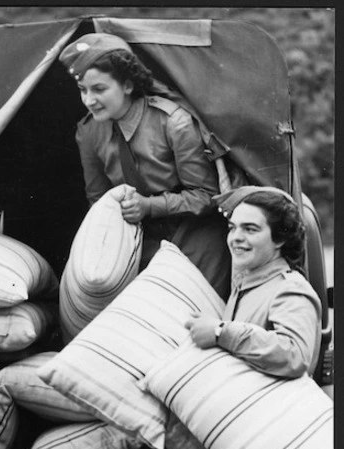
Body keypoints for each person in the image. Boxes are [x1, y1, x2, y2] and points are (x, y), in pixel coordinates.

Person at [59, 32, 231, 300]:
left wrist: (149, 206)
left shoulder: (173, 123)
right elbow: (98, 201)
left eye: (99, 89)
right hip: (137, 239)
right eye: (83, 90)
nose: (89, 100)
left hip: (192, 231)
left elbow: (206, 196)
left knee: (188, 307)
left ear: (127, 85)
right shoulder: (89, 133)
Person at [185, 185, 322, 449]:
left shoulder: (290, 289)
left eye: (250, 229)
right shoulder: (248, 283)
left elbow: (294, 355)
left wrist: (222, 332)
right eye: (233, 228)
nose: (236, 238)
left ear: (281, 238)